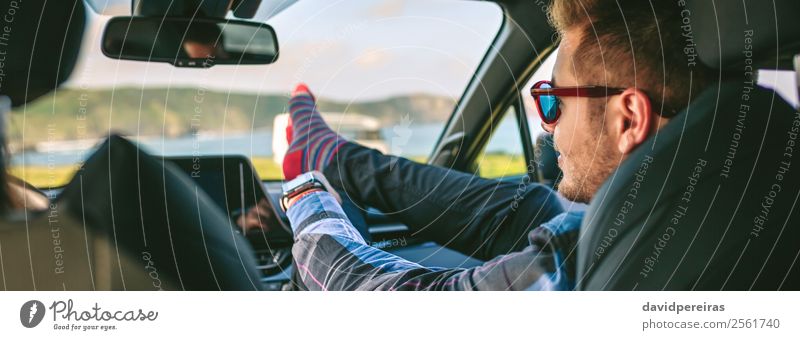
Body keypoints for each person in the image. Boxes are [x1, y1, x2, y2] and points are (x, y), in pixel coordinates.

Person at [280, 0, 713, 290]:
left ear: (628, 119)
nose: (548, 129)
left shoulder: (588, 255)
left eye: (553, 100)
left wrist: (307, 200)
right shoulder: (718, 199)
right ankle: (334, 155)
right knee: (535, 206)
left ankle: (322, 157)